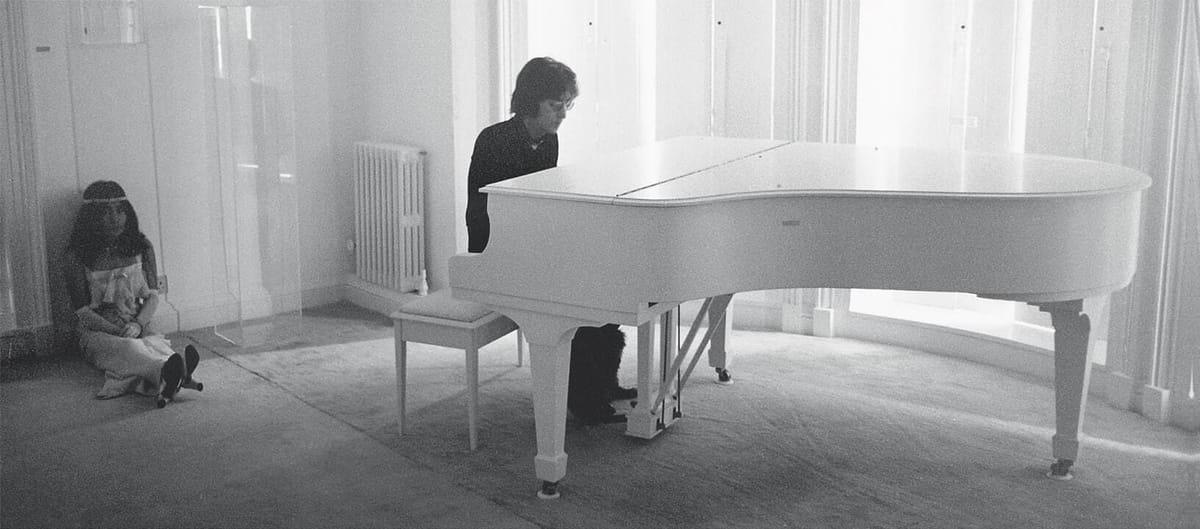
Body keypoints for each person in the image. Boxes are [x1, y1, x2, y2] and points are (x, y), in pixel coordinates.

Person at [466, 57, 635, 425]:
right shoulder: (495, 141)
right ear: (532, 102)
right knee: (575, 299)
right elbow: (488, 216)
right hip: (496, 251)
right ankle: (585, 401)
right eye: (556, 106)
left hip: (532, 245)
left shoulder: (548, 141)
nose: (563, 115)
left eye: (566, 106)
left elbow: (543, 203)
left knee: (602, 284)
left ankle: (604, 382)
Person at [64, 180, 201, 407]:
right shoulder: (75, 257)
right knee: (129, 348)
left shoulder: (143, 246)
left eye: (120, 210)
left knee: (153, 344)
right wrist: (119, 331)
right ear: (91, 218)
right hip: (98, 330)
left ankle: (172, 371)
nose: (115, 218)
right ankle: (173, 373)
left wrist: (137, 324)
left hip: (137, 322)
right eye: (106, 212)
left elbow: (153, 296)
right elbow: (82, 312)